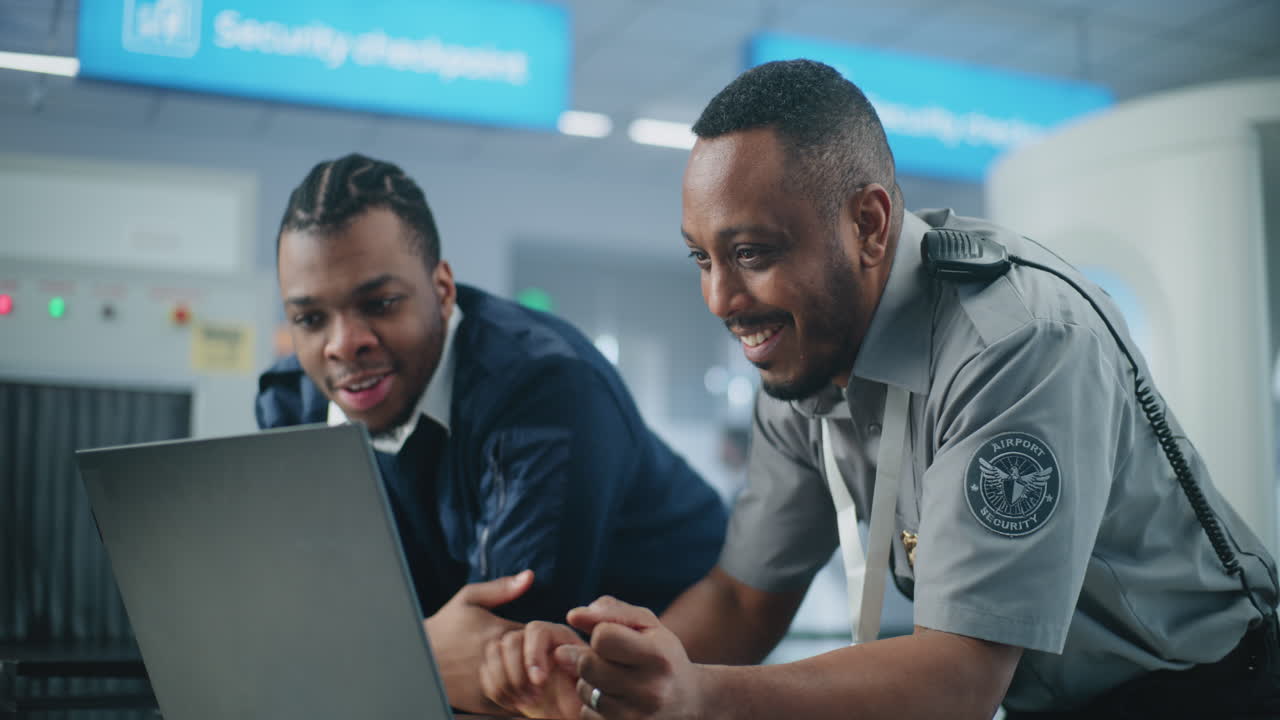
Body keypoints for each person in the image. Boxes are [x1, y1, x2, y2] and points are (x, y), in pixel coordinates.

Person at [479, 60, 1280, 718]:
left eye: (752, 251)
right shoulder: (802, 347)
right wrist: (604, 676)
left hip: (1211, 689)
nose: (721, 299)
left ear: (868, 225)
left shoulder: (1017, 342)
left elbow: (961, 679)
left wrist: (699, 696)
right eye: (701, 259)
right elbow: (744, 597)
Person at [254, 153, 728, 715]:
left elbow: (504, 661)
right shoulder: (292, 401)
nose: (342, 343)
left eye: (379, 304)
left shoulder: (543, 387)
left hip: (686, 633)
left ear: (443, 288)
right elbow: (313, 609)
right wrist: (418, 650)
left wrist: (368, 654)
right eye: (310, 319)